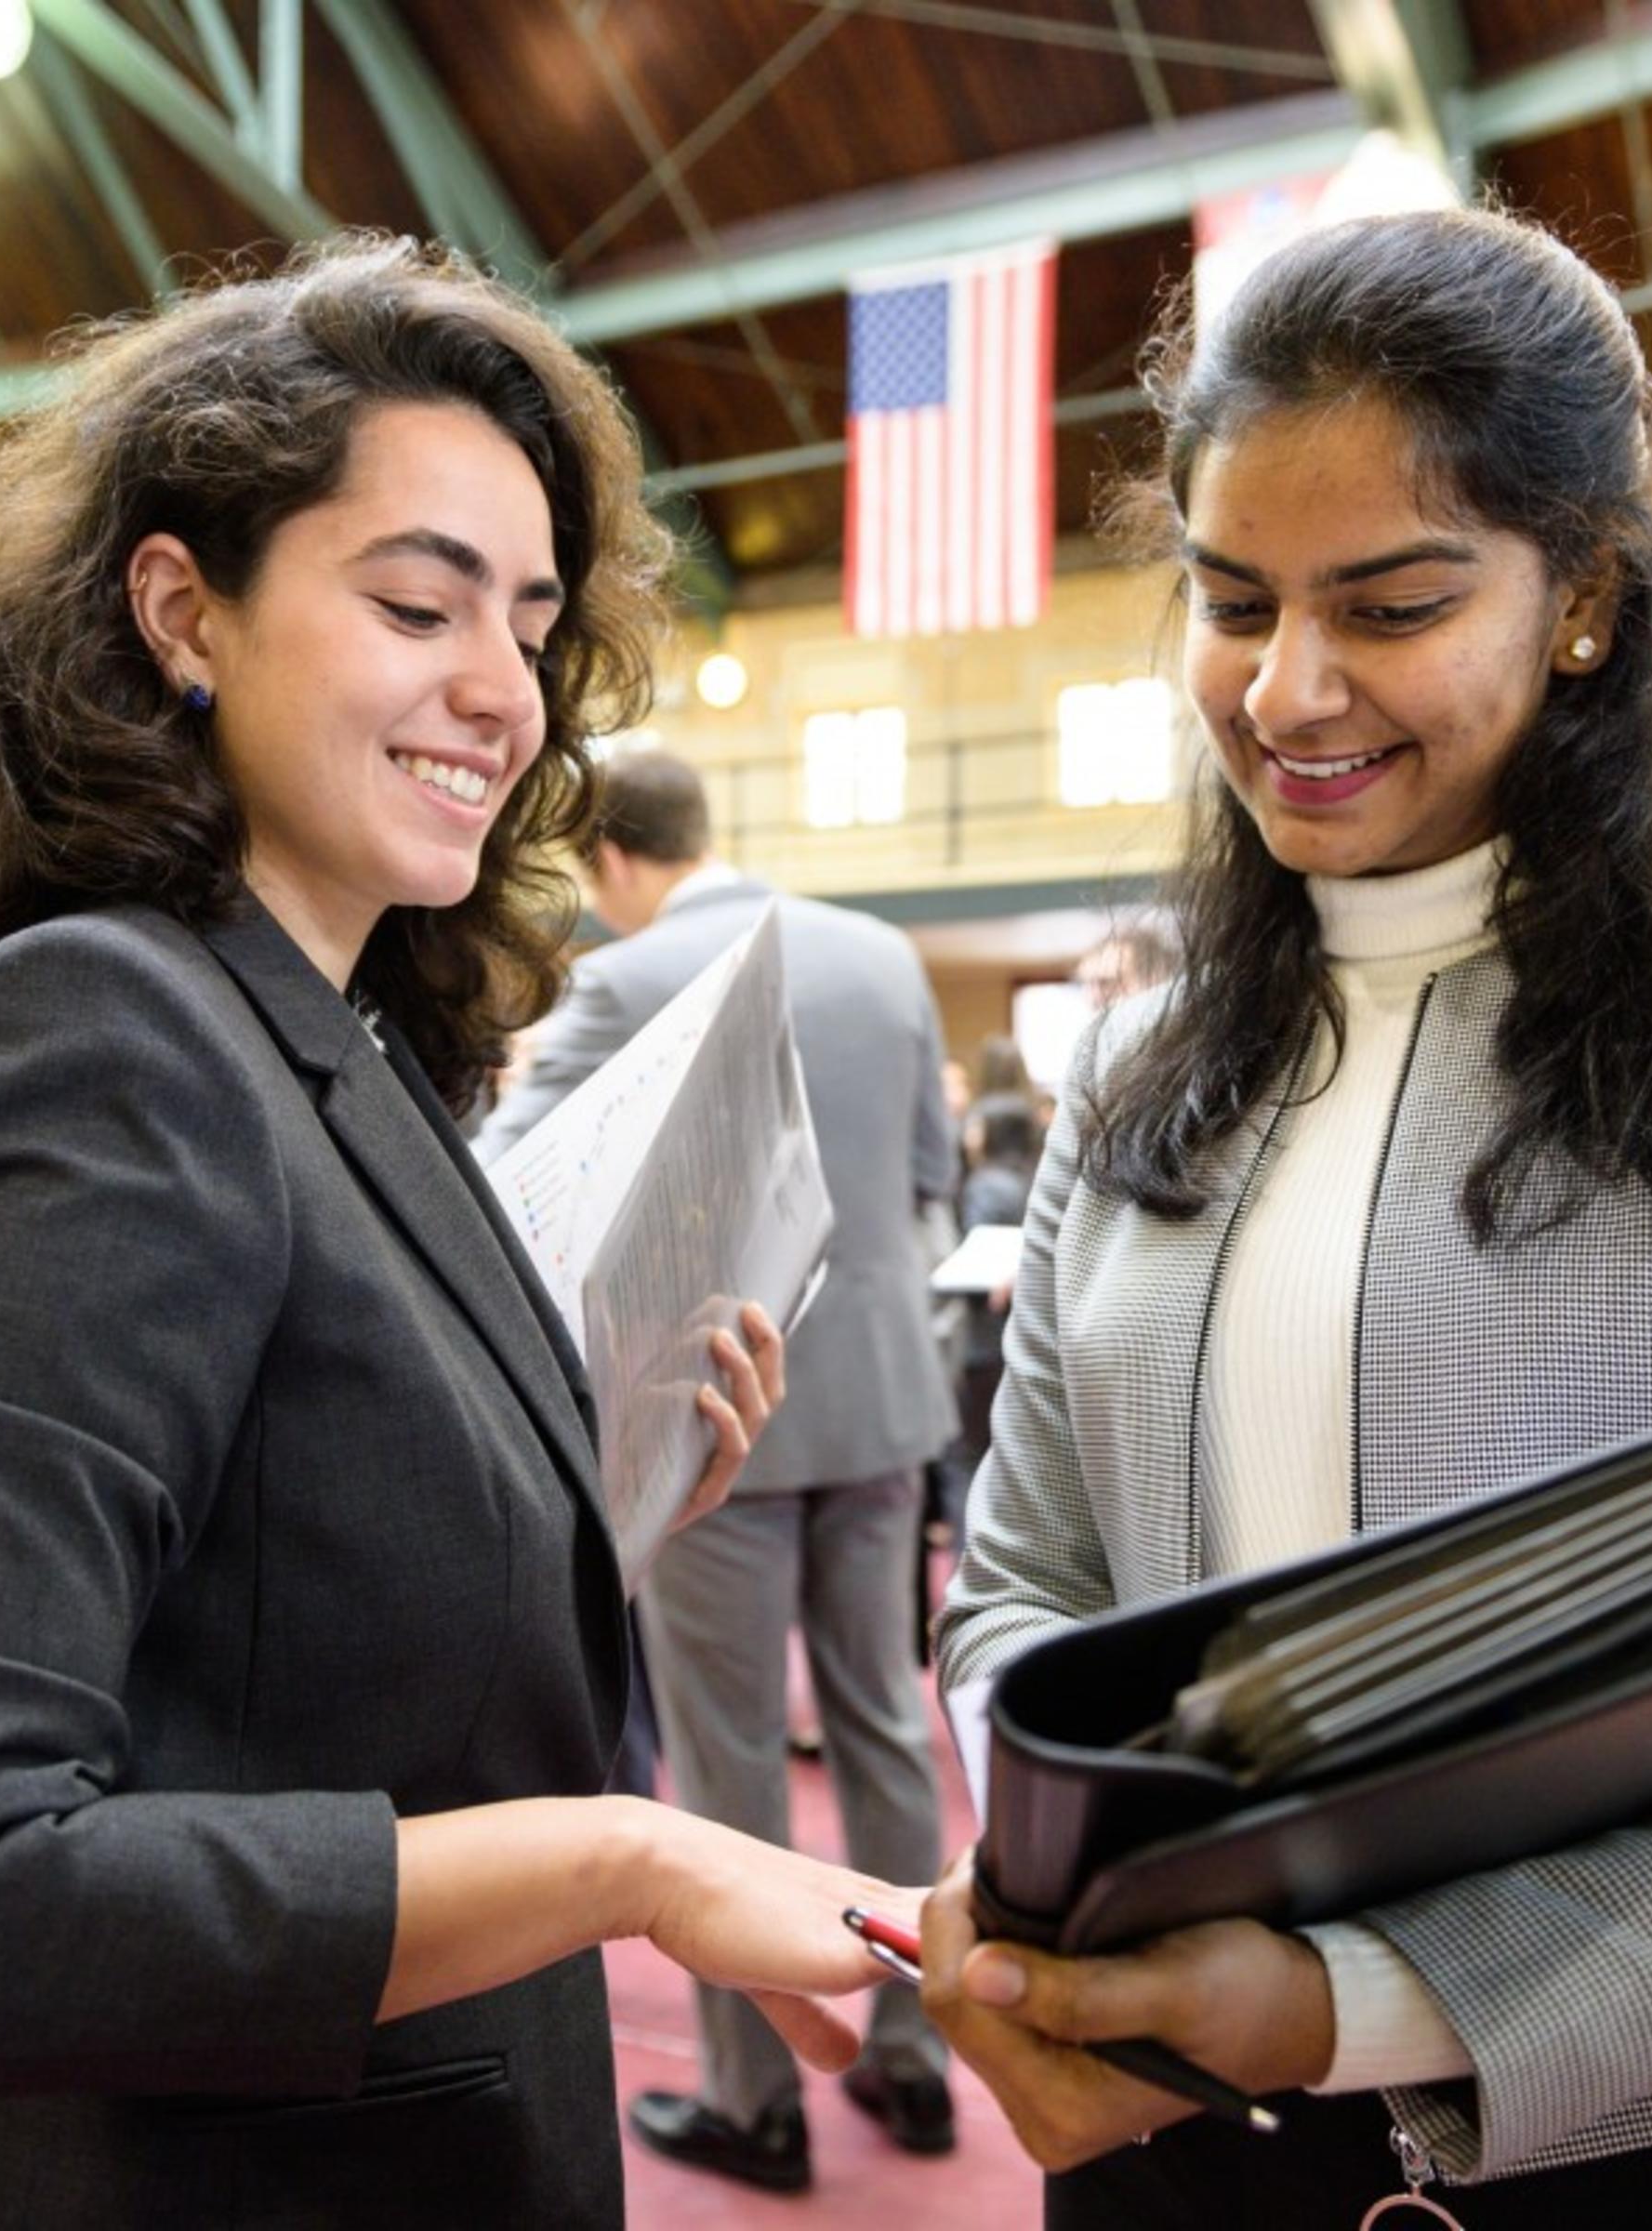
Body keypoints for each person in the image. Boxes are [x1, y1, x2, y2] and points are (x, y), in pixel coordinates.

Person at [0, 236, 908, 2231]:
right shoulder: (102, 1038)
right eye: (413, 600)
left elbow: (270, 1617)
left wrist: (594, 1488)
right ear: (184, 611)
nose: (500, 693)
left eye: (530, 624)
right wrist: (622, 1860)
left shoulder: (334, 1040)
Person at [930, 205, 1652, 2227]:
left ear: (1586, 599)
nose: (1287, 688)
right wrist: (1044, 1891)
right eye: (1231, 597)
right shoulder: (1136, 1066)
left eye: (1390, 604)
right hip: (1176, 2140)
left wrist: (1352, 2005)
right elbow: (1017, 1591)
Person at [477, 747, 963, 2191]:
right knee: (883, 1722)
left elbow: (500, 1196)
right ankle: (920, 2059)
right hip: (884, 1406)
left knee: (729, 1757)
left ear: (607, 860)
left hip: (723, 1422)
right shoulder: (882, 955)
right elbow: (930, 1174)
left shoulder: (625, 980)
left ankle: (760, 2099)